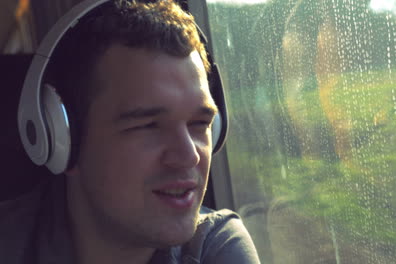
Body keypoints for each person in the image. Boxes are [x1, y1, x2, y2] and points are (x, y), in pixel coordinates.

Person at [0, 0, 260, 263]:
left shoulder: (216, 246)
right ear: (62, 139)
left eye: (200, 124)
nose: (189, 156)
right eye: (148, 126)